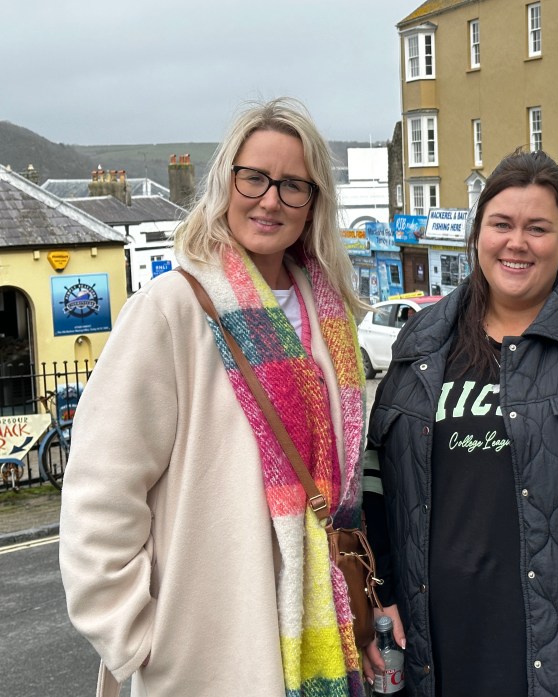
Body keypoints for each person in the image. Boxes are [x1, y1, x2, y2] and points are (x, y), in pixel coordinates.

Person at [59, 98, 370, 697]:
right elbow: (100, 492)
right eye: (253, 177)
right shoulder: (171, 309)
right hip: (209, 654)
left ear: (315, 203)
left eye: (293, 185)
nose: (271, 199)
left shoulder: (331, 315)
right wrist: (140, 637)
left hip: (319, 638)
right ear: (226, 181)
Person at [361, 150, 558, 696]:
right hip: (441, 645)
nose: (517, 243)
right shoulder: (423, 341)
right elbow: (379, 477)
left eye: (537, 228)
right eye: (502, 224)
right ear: (478, 235)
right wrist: (384, 593)